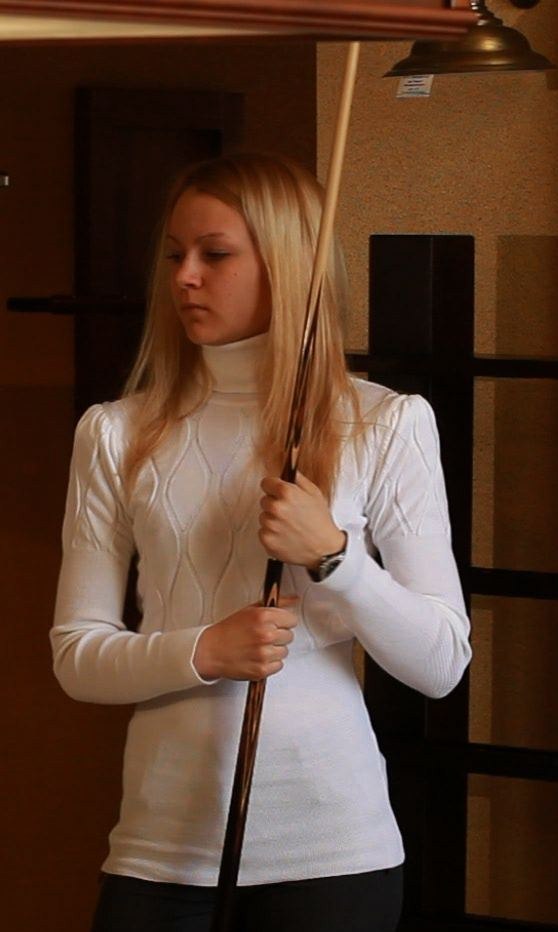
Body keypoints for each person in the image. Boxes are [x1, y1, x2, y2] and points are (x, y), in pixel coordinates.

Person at [50, 152, 471, 932]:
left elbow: (441, 663)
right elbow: (77, 655)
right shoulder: (115, 433)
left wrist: (336, 560)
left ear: (287, 266)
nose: (184, 277)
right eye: (175, 255)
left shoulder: (385, 423)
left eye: (215, 254)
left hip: (333, 858)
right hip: (160, 851)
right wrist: (205, 650)